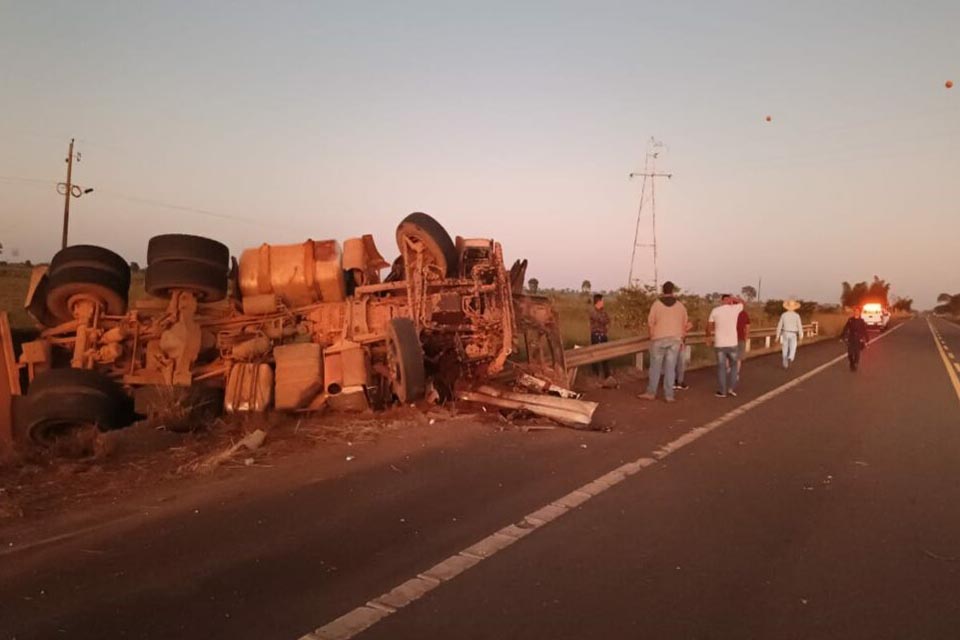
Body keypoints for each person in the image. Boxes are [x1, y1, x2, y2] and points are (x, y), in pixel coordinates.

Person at [639, 281, 688, 403]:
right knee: (670, 368)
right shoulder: (680, 306)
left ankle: (651, 392)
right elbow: (684, 325)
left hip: (659, 338)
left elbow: (650, 322)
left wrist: (652, 336)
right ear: (673, 291)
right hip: (675, 340)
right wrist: (681, 339)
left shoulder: (656, 305)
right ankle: (669, 395)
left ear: (663, 290)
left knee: (655, 367)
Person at [707, 294, 743, 398]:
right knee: (734, 366)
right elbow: (743, 303)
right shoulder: (735, 309)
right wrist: (735, 298)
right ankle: (731, 388)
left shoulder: (715, 310)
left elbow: (709, 326)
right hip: (732, 344)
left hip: (720, 344)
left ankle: (722, 391)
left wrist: (709, 337)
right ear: (730, 301)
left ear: (721, 301)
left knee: (721, 368)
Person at [776, 299, 804, 369]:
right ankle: (790, 357)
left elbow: (779, 325)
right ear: (794, 307)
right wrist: (801, 335)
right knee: (793, 347)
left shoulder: (784, 315)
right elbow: (799, 326)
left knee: (784, 348)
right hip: (793, 333)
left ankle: (785, 363)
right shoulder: (797, 316)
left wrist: (777, 335)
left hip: (785, 333)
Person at [840, 306, 870, 372]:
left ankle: (855, 364)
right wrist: (842, 336)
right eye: (855, 311)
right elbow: (846, 328)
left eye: (858, 311)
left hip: (858, 339)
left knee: (857, 353)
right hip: (851, 338)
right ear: (854, 312)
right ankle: (851, 363)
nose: (856, 312)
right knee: (850, 353)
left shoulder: (862, 321)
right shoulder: (850, 320)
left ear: (860, 312)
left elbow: (865, 331)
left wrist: (867, 340)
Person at [589, 293, 611, 380]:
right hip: (596, 335)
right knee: (595, 356)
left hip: (603, 335)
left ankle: (607, 375)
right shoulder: (593, 312)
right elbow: (602, 320)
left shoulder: (603, 311)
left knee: (605, 356)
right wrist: (604, 321)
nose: (603, 303)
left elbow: (608, 320)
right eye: (602, 301)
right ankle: (596, 375)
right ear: (598, 302)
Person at [674, 319, 694, 391]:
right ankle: (678, 381)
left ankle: (676, 381)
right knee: (679, 363)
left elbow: (690, 324)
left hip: (677, 341)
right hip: (677, 342)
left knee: (676, 363)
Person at [736, 307, 751, 375]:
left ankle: (728, 369)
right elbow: (747, 326)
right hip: (741, 338)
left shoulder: (731, 312)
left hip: (730, 338)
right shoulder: (744, 314)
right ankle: (736, 372)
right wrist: (746, 337)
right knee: (739, 357)